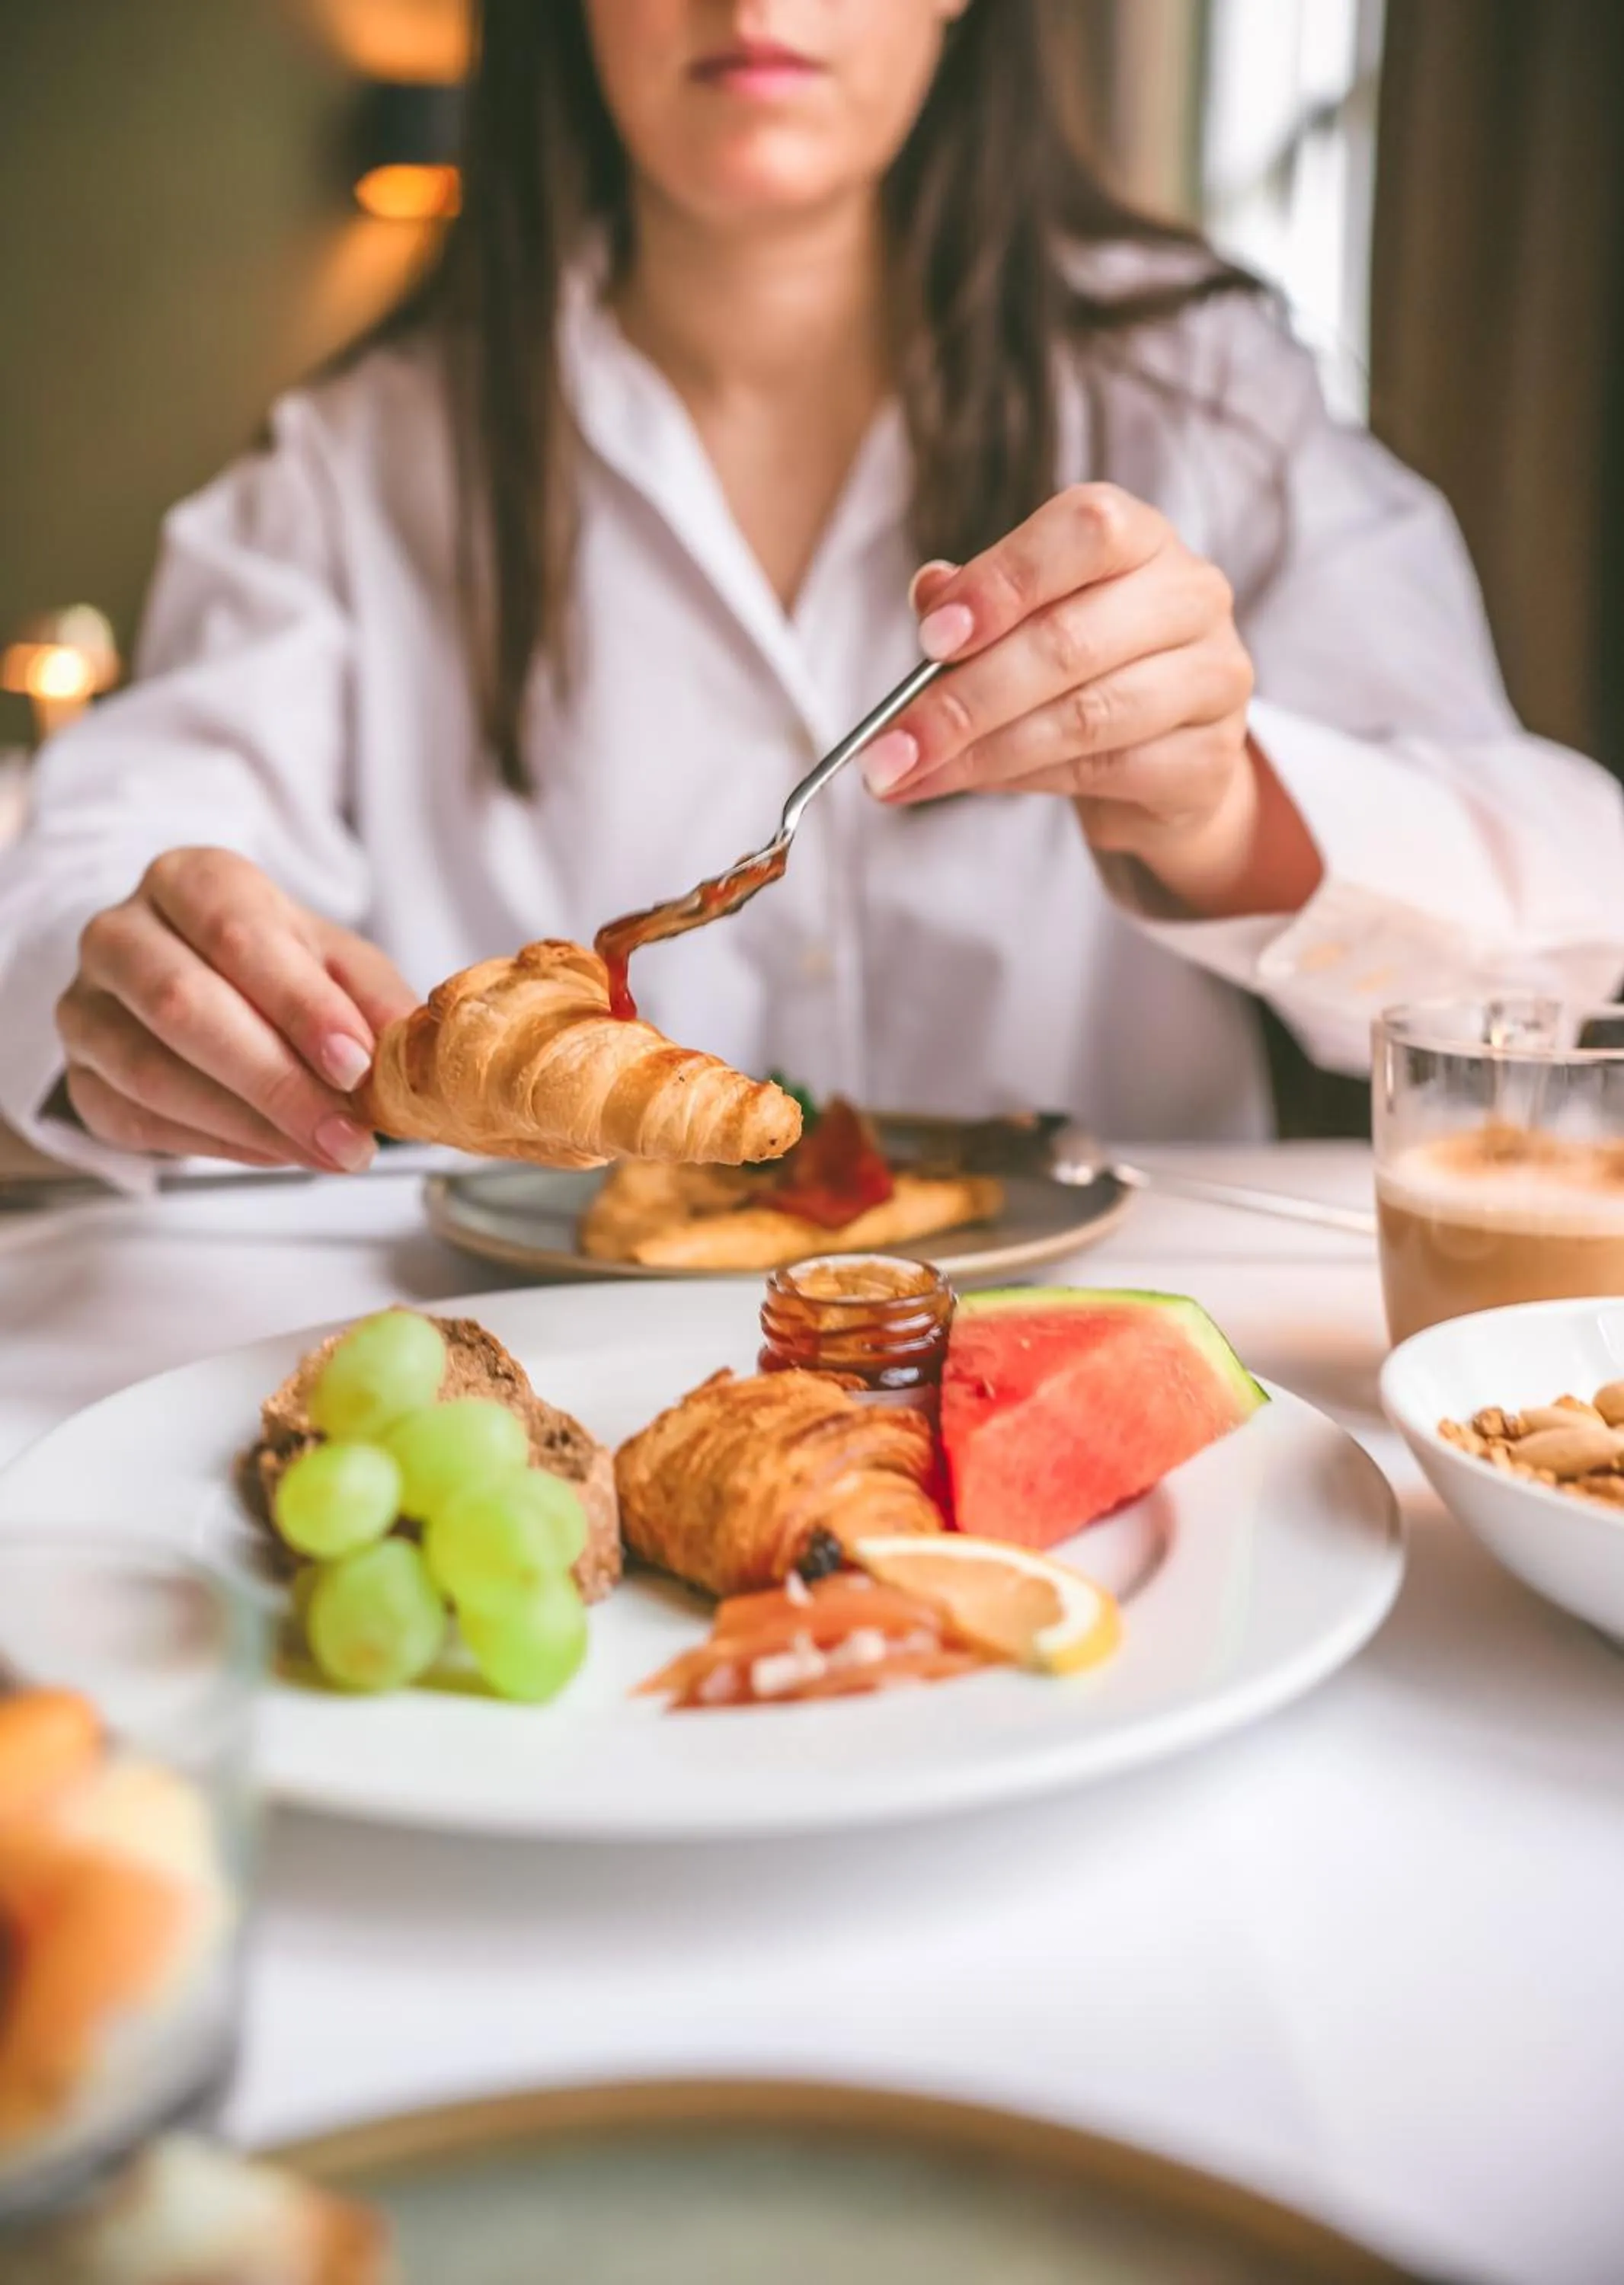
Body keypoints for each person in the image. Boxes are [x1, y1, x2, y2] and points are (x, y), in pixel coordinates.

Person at [2, 0, 1620, 1187]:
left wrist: (1216, 812)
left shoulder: (1209, 399)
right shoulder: (354, 463)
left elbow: (1565, 940)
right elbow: (91, 869)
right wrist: (134, 969)